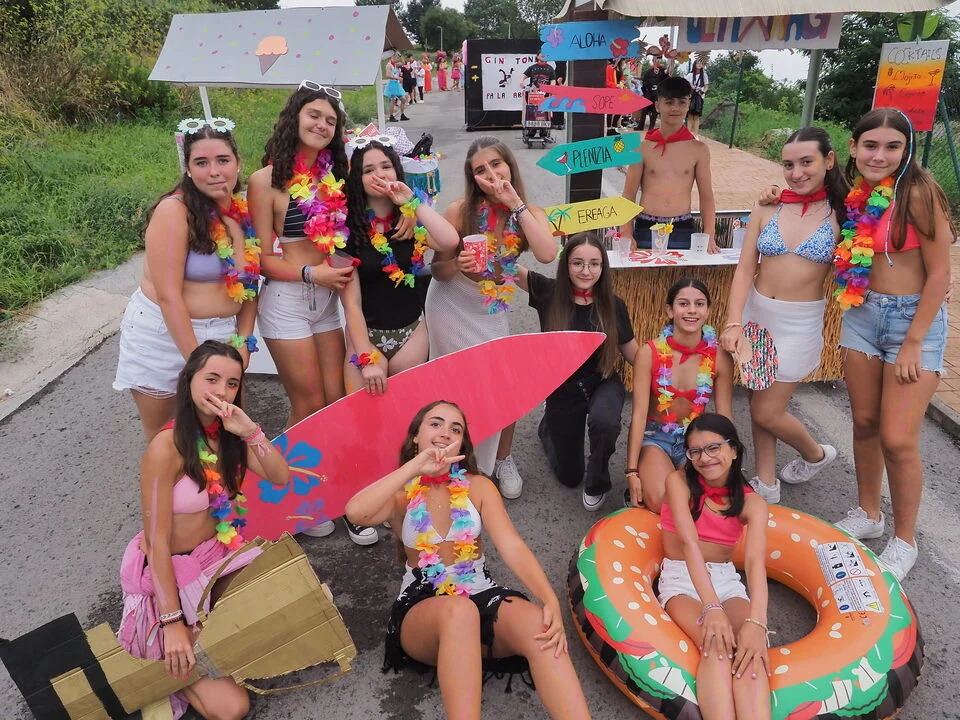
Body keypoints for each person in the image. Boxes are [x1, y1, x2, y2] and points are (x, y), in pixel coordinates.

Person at [344, 401, 592, 719]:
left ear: (462, 443)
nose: (445, 433)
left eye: (455, 428)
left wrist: (549, 601)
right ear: (416, 436)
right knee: (459, 612)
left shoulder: (478, 487)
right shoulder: (401, 495)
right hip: (423, 607)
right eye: (435, 424)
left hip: (478, 590)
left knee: (538, 624)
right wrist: (415, 466)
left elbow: (512, 546)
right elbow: (356, 512)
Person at [118, 340, 290, 720]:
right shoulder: (167, 447)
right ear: (189, 380)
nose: (222, 391)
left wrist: (249, 430)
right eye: (211, 379)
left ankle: (214, 644)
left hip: (216, 560)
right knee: (232, 709)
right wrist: (172, 623)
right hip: (171, 579)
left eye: (232, 383)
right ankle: (167, 657)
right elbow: (156, 542)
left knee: (293, 600)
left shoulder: (227, 432)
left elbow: (280, 476)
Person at [247, 82, 386, 545]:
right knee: (305, 404)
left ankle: (330, 490)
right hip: (288, 301)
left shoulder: (334, 179)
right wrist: (312, 273)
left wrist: (407, 210)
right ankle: (287, 499)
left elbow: (363, 222)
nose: (322, 125)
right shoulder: (265, 181)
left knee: (332, 401)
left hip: (328, 302)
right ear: (295, 117)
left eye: (331, 120)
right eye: (314, 115)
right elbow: (261, 259)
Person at [830, 108, 954, 580]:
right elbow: (808, 179)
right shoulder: (858, 192)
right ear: (854, 147)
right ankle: (869, 513)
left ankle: (905, 540)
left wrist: (913, 342)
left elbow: (939, 274)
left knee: (898, 439)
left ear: (907, 150)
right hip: (863, 315)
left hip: (912, 323)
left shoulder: (919, 193)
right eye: (870, 145)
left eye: (892, 146)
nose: (879, 155)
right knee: (864, 422)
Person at [113, 119, 261, 442]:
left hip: (222, 338)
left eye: (223, 160)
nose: (214, 171)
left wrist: (244, 341)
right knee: (167, 439)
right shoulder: (174, 212)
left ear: (238, 162)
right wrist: (199, 367)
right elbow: (168, 296)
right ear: (188, 169)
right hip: (164, 336)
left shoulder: (243, 213)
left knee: (218, 434)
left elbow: (250, 284)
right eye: (202, 162)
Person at [720, 127, 846, 504]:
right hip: (758, 316)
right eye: (789, 165)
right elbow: (745, 268)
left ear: (828, 160)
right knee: (760, 399)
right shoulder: (767, 206)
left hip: (799, 323)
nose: (796, 173)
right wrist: (734, 320)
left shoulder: (845, 214)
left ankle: (816, 454)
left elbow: (880, 254)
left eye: (806, 162)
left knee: (767, 410)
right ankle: (767, 482)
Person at [426, 137, 557, 495]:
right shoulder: (459, 211)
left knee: (504, 385)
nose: (490, 174)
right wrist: (456, 264)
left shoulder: (528, 212)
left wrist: (514, 203)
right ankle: (452, 461)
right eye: (480, 170)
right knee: (453, 387)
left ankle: (502, 459)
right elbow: (437, 271)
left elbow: (547, 253)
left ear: (509, 166)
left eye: (496, 164)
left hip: (491, 306)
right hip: (451, 304)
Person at [658, 413, 771, 719]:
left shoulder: (753, 504)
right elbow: (690, 545)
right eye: (695, 451)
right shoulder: (678, 482)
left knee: (750, 652)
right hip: (682, 576)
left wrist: (757, 623)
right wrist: (711, 607)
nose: (704, 458)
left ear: (733, 450)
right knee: (716, 645)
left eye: (713, 448)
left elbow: (755, 563)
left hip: (726, 580)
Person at [517, 232, 639, 511]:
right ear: (566, 265)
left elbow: (633, 353)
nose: (586, 271)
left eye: (594, 264)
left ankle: (598, 481)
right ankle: (548, 428)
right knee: (569, 477)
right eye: (578, 263)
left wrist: (666, 372)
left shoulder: (614, 304)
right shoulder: (548, 292)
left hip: (602, 380)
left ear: (603, 267)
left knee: (605, 422)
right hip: (564, 390)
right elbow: (506, 268)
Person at [344, 138, 459, 383]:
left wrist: (412, 202)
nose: (379, 174)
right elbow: (351, 304)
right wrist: (367, 360)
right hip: (365, 338)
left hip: (412, 333)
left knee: (409, 408)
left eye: (386, 166)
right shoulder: (347, 228)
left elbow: (449, 241)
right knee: (365, 407)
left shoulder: (412, 220)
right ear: (357, 178)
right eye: (368, 170)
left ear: (397, 170)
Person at [625, 278, 734, 512]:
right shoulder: (649, 353)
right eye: (683, 304)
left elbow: (725, 417)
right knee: (661, 502)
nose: (692, 310)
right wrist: (631, 472)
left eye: (699, 304)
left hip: (697, 440)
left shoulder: (720, 357)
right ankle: (647, 475)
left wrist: (729, 462)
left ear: (708, 311)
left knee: (704, 501)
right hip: (656, 438)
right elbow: (639, 415)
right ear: (669, 310)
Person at [620, 76, 719, 253]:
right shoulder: (642, 148)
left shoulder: (699, 150)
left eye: (681, 102)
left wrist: (709, 233)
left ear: (689, 105)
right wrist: (626, 231)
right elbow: (629, 193)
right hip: (646, 227)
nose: (675, 108)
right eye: (669, 102)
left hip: (682, 228)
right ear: (658, 105)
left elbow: (707, 196)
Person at [638, 59, 666, 131]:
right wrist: (646, 91)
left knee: (654, 110)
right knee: (644, 109)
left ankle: (651, 127)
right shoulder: (649, 71)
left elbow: (666, 80)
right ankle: (640, 126)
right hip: (649, 92)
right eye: (655, 60)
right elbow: (644, 82)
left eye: (658, 59)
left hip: (658, 93)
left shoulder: (663, 70)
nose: (657, 61)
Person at [685, 60, 709, 136]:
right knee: (690, 116)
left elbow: (706, 86)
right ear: (694, 64)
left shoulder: (704, 75)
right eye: (697, 63)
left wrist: (703, 92)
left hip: (699, 97)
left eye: (701, 63)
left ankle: (696, 135)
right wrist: (691, 86)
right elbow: (685, 85)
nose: (699, 64)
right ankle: (688, 134)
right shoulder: (690, 75)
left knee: (696, 116)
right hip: (691, 97)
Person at [385, 54, 409, 121]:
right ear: (393, 57)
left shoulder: (395, 64)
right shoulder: (389, 65)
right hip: (392, 84)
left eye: (398, 58)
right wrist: (397, 77)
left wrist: (400, 56)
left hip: (396, 84)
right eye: (397, 58)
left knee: (403, 99)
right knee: (392, 100)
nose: (398, 59)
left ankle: (402, 115)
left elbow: (404, 63)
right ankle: (391, 116)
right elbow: (387, 75)